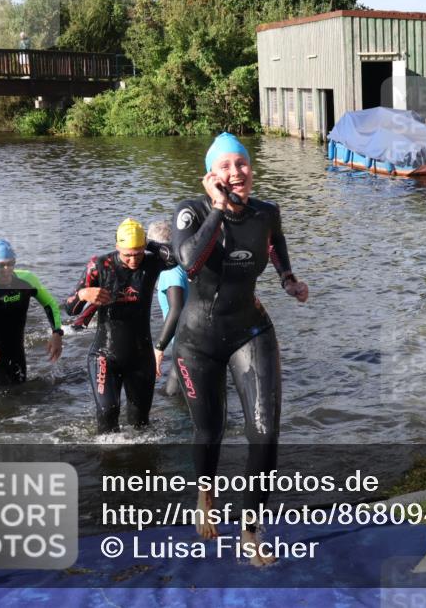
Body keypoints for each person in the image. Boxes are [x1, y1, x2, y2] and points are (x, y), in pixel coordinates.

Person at [172, 132, 308, 564]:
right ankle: (204, 493)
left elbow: (275, 241)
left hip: (251, 332)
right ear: (211, 176)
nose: (237, 173)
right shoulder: (190, 213)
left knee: (265, 434)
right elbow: (191, 261)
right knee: (210, 430)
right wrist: (216, 206)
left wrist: (288, 278)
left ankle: (250, 530)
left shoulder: (266, 212)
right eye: (226, 167)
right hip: (198, 342)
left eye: (242, 164)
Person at [65, 219, 178, 433]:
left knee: (140, 424)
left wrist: (150, 243)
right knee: (108, 413)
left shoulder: (152, 263)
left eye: (138, 253)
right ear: (117, 247)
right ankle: (107, 464)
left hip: (140, 356)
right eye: (127, 254)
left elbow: (178, 256)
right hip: (104, 355)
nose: (134, 259)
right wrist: (83, 294)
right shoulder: (100, 265)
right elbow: (70, 309)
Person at [0, 238, 63, 389]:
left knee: (20, 393)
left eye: (10, 263)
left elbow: (50, 303)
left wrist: (57, 333)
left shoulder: (27, 280)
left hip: (16, 349)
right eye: (0, 265)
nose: (6, 269)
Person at [146, 220, 188, 397]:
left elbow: (176, 310)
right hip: (195, 339)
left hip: (187, 344)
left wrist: (159, 348)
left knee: (172, 395)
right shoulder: (185, 262)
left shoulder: (169, 273)